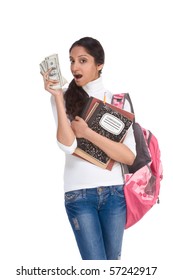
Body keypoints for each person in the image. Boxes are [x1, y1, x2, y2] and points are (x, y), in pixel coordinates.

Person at [42, 37, 136, 260]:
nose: (75, 67)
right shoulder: (64, 97)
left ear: (99, 64)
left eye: (83, 60)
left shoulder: (119, 101)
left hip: (114, 193)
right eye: (72, 61)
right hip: (78, 194)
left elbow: (129, 157)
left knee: (111, 266)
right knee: (95, 267)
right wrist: (57, 97)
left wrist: (87, 133)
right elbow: (67, 145)